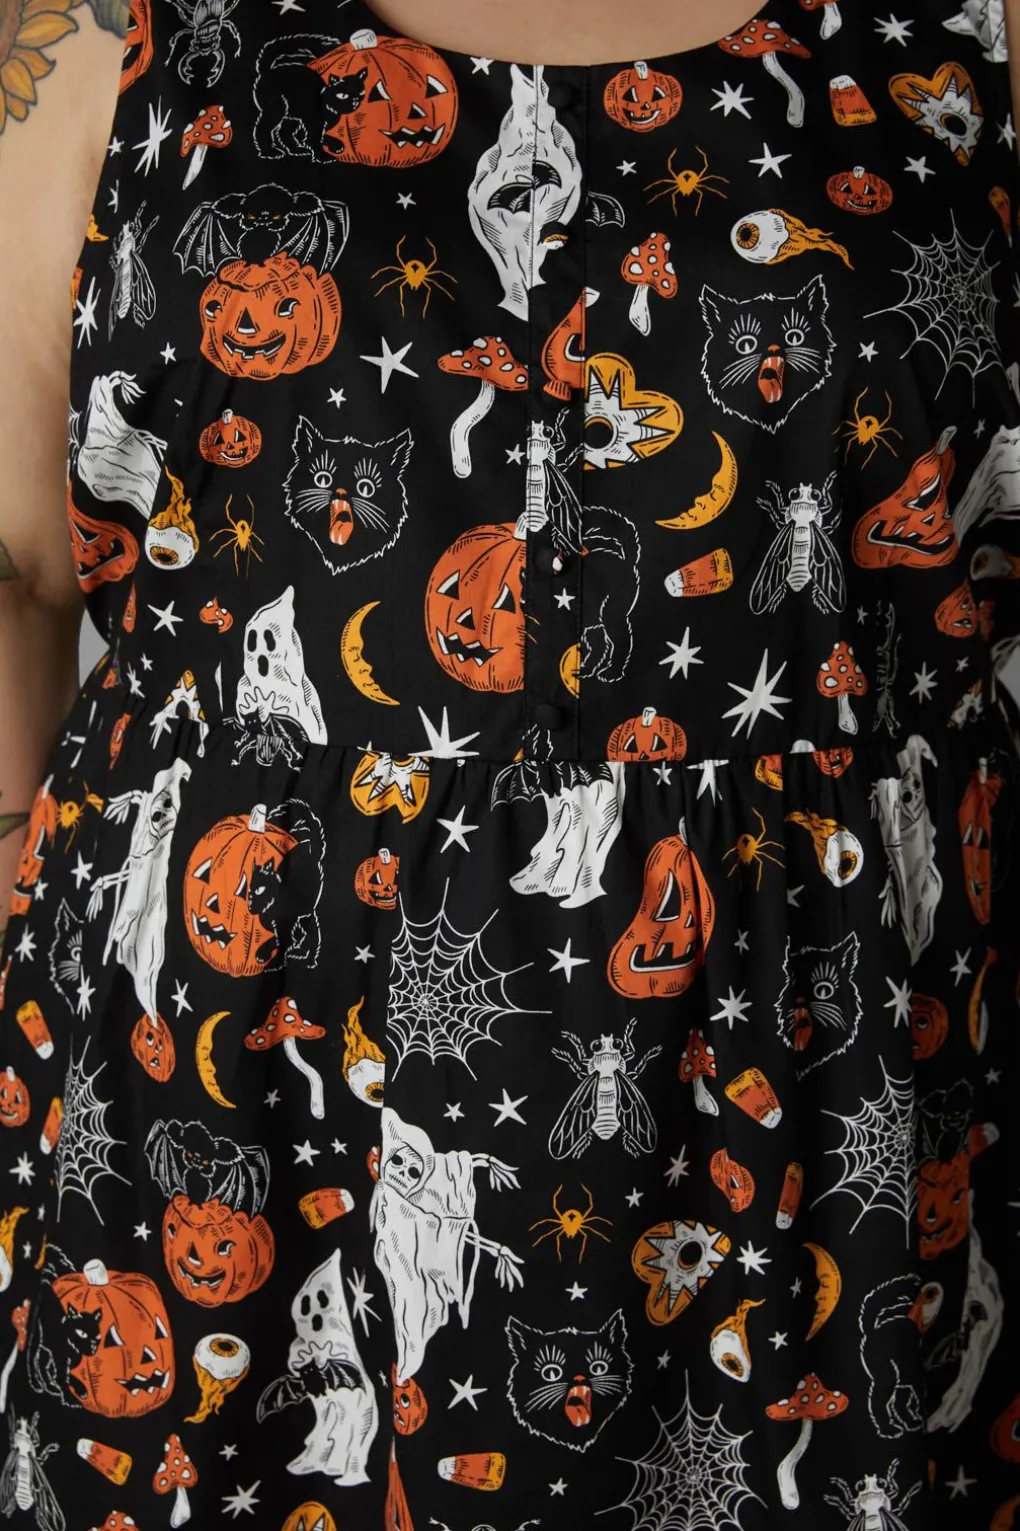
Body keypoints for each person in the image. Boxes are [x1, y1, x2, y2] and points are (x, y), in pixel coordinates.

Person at [1, 0, 1018, 1523]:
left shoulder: (968, 37)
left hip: (829, 1084)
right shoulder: (108, 33)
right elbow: (18, 566)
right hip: (240, 1082)